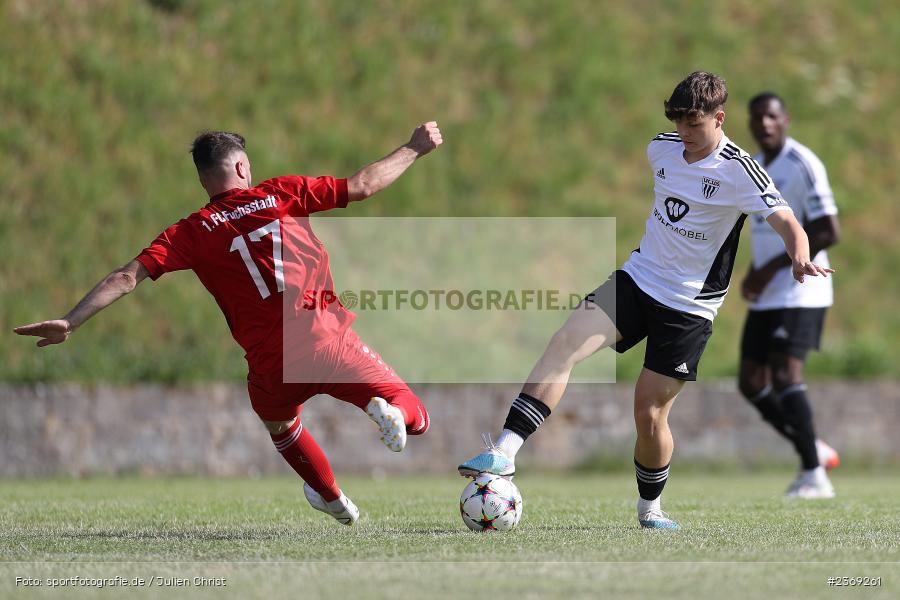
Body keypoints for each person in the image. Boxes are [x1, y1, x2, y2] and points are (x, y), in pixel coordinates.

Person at [15, 122, 443, 525]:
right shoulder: (282, 193)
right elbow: (364, 184)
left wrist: (70, 321)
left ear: (204, 181)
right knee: (416, 415)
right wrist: (414, 147)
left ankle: (332, 498)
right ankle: (389, 411)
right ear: (242, 167)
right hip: (327, 341)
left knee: (281, 424)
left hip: (271, 365)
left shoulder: (190, 232)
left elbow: (126, 278)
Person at [458, 72, 833, 530]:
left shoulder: (740, 169)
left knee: (649, 413)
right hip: (638, 279)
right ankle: (505, 453)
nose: (684, 135)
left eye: (694, 125)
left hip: (689, 307)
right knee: (565, 343)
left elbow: (790, 222)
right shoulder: (662, 147)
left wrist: (799, 257)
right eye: (678, 124)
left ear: (720, 118)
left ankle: (650, 508)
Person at [738, 93, 841, 499]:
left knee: (784, 374)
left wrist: (768, 269)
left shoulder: (803, 164)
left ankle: (814, 474)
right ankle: (812, 445)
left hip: (803, 287)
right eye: (758, 117)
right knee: (750, 382)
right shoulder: (754, 167)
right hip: (768, 291)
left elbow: (828, 231)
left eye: (772, 116)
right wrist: (751, 272)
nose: (765, 123)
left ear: (786, 120)